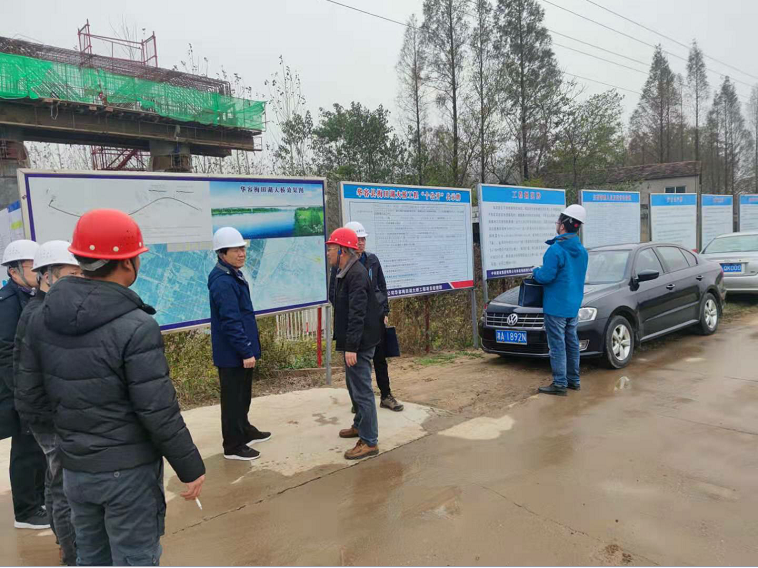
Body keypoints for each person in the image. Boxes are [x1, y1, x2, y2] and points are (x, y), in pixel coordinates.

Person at [16, 209, 206, 566]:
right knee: (135, 558)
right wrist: (190, 466)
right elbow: (157, 410)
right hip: (128, 475)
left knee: (90, 557)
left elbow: (29, 396)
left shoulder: (41, 317)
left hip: (76, 471)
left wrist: (71, 441)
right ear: (127, 263)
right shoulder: (136, 326)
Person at [14, 240, 82, 564]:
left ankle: (63, 542)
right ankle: (74, 554)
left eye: (81, 273)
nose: (79, 279)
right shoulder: (41, 314)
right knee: (66, 487)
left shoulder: (45, 308)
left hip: (47, 412)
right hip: (49, 415)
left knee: (56, 481)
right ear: (47, 275)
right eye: (72, 274)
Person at [208, 227, 270, 462]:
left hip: (240, 351)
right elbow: (231, 321)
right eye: (236, 250)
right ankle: (233, 445)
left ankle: (244, 430)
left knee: (243, 396)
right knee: (233, 400)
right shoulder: (223, 281)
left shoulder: (233, 274)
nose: (242, 253)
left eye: (243, 249)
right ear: (222, 253)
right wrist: (245, 350)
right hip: (232, 354)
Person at [0, 239, 48, 530]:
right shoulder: (6, 304)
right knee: (26, 449)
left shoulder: (32, 297)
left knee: (38, 446)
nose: (38, 272)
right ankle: (26, 511)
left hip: (33, 387)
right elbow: (6, 353)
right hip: (17, 389)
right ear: (14, 271)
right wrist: (22, 393)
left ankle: (39, 500)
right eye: (32, 266)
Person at [329, 222, 403, 412]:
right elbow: (334, 294)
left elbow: (382, 287)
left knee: (380, 358)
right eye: (358, 239)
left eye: (363, 239)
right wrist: (348, 315)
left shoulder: (372, 260)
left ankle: (386, 395)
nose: (361, 242)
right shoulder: (340, 265)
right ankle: (359, 402)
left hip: (374, 320)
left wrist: (384, 311)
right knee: (355, 365)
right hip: (354, 322)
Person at [327, 227, 383, 460]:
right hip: (354, 341)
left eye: (331, 248)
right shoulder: (345, 271)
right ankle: (360, 425)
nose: (328, 253)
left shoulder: (356, 274)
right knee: (354, 387)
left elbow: (357, 314)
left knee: (362, 391)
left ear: (342, 250)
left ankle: (369, 441)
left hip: (359, 344)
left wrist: (351, 347)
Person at [532, 204, 589, 396]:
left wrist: (535, 272)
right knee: (571, 342)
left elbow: (546, 276)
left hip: (556, 306)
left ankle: (559, 384)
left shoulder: (555, 250)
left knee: (557, 345)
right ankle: (574, 380)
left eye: (558, 221)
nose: (557, 224)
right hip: (573, 305)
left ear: (563, 225)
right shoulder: (582, 251)